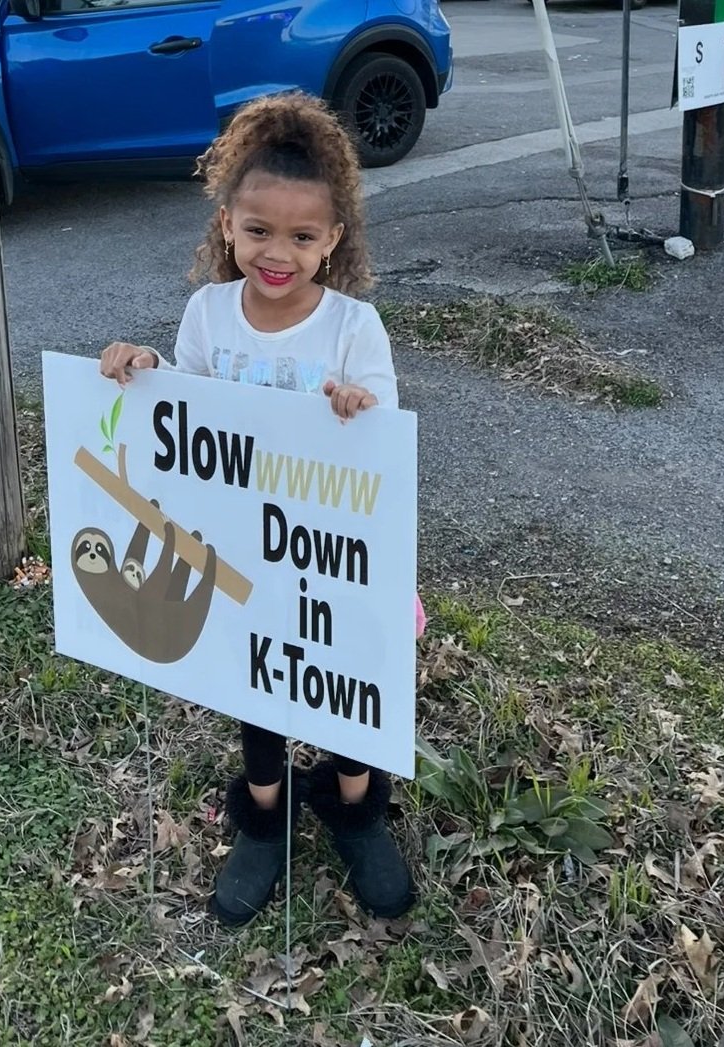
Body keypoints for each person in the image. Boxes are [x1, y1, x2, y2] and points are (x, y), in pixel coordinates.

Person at [99, 92, 417, 928]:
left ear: (333, 241)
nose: (278, 253)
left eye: (302, 236)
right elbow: (190, 412)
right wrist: (144, 370)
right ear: (227, 225)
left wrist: (355, 406)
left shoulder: (354, 326)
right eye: (258, 232)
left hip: (330, 553)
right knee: (261, 687)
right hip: (242, 551)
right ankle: (265, 817)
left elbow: (381, 433)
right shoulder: (208, 311)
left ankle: (355, 808)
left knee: (339, 681)